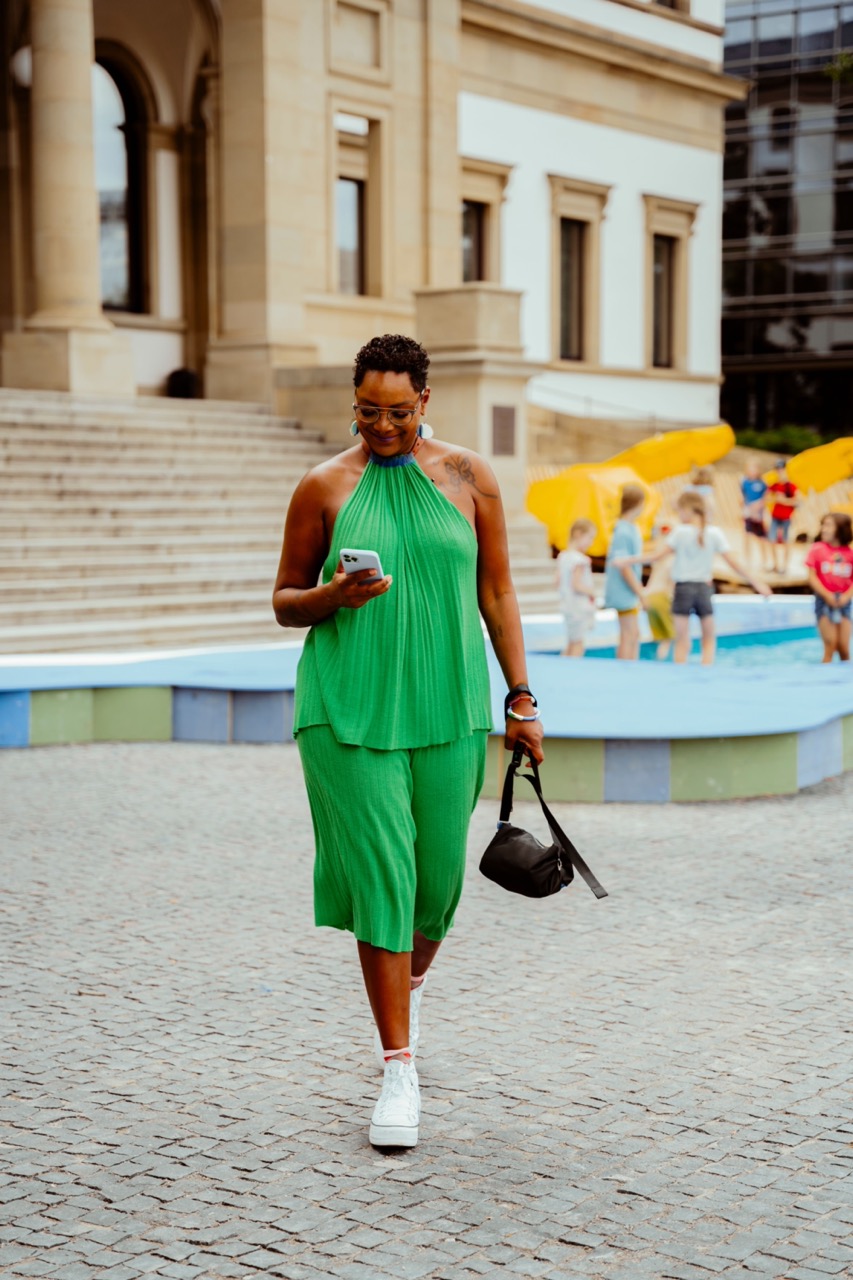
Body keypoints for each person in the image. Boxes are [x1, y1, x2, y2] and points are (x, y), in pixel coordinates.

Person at [272, 334, 544, 1151]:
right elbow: (284, 601)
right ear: (352, 402)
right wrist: (334, 594)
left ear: (425, 402)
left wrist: (521, 697)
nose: (381, 426)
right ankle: (398, 1065)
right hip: (347, 707)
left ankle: (408, 980)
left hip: (449, 705)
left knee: (436, 886)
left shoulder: (468, 477)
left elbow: (496, 588)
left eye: (396, 412)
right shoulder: (323, 485)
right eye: (366, 411)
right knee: (382, 880)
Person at [615, 490, 770, 664]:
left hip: (683, 589)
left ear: (688, 510)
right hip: (703, 589)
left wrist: (627, 560)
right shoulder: (714, 533)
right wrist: (757, 583)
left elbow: (656, 556)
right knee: (708, 640)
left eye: (679, 511)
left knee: (682, 641)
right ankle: (706, 671)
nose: (679, 515)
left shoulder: (680, 532)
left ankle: (680, 674)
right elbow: (733, 563)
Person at [604, 485, 647, 660]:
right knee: (630, 634)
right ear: (638, 504)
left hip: (628, 592)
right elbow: (624, 566)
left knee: (632, 634)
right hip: (624, 592)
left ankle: (629, 668)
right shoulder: (622, 530)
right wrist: (640, 592)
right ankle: (626, 669)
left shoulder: (630, 527)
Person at [804, 512, 853, 662]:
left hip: (844, 601)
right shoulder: (817, 549)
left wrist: (846, 596)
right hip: (824, 600)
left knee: (844, 648)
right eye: (823, 525)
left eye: (828, 525)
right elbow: (812, 577)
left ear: (841, 529)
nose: (824, 529)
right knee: (830, 645)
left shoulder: (850, 553)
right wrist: (827, 595)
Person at [557, 518, 598, 657]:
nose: (591, 542)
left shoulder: (563, 556)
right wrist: (592, 592)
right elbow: (576, 584)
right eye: (590, 537)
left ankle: (562, 667)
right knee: (578, 643)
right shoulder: (580, 560)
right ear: (578, 534)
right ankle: (573, 669)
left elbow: (557, 581)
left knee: (571, 641)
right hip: (578, 607)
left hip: (567, 605)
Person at [643, 530, 676, 661]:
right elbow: (672, 585)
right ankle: (665, 662)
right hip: (662, 597)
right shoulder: (672, 561)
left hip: (649, 598)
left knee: (658, 637)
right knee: (669, 638)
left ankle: (655, 661)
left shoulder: (657, 562)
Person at [767, 460, 800, 574]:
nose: (780, 472)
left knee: (786, 541)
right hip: (775, 516)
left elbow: (797, 501)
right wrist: (775, 499)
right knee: (772, 540)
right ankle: (776, 565)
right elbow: (767, 498)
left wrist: (783, 500)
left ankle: (785, 566)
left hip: (786, 517)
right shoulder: (775, 485)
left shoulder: (791, 486)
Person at [740, 458, 771, 570]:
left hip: (758, 514)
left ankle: (764, 560)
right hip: (748, 512)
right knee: (746, 535)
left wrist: (758, 506)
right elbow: (742, 496)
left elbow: (765, 498)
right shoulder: (744, 481)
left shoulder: (762, 483)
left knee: (761, 538)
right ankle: (747, 559)